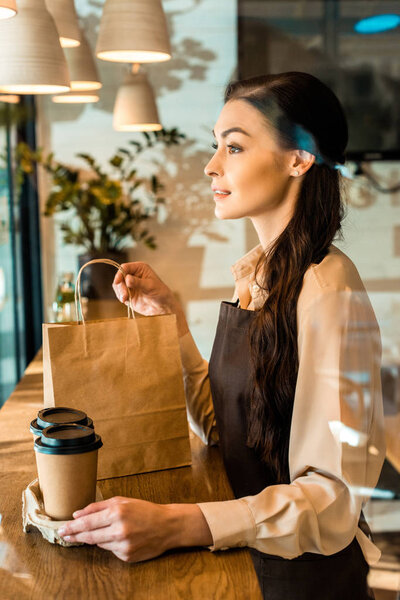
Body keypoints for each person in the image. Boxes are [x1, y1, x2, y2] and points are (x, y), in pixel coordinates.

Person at [58, 72, 385, 600]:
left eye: (233, 146)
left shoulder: (328, 290)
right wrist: (172, 320)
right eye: (217, 146)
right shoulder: (262, 276)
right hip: (247, 557)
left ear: (299, 158)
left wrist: (175, 524)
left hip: (304, 579)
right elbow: (228, 432)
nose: (212, 166)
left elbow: (332, 500)